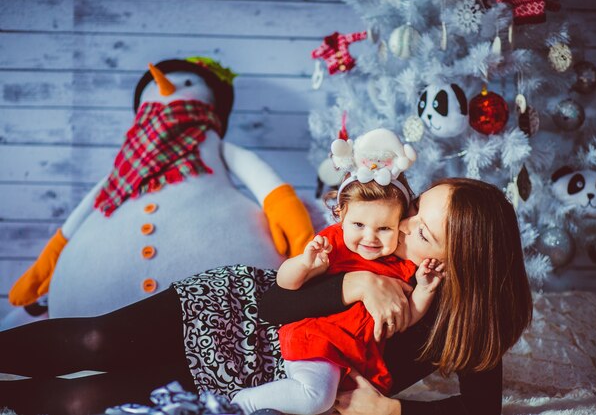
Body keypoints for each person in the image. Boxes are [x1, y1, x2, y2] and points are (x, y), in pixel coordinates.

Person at [0, 177, 533, 415]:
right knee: (96, 339)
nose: (401, 223)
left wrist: (391, 414)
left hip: (252, 377)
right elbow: (276, 302)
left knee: (88, 399)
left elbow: (480, 409)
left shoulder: (468, 325)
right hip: (238, 311)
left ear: (465, 264)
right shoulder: (375, 251)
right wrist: (354, 281)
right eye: (416, 207)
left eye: (420, 229)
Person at [231, 168, 444, 414]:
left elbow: (404, 317)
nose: (370, 237)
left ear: (399, 225)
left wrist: (425, 289)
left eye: (384, 228)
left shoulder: (400, 266)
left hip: (354, 354)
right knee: (315, 398)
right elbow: (285, 285)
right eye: (358, 224)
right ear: (340, 215)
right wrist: (304, 264)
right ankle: (241, 404)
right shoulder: (335, 245)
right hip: (320, 340)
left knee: (333, 406)